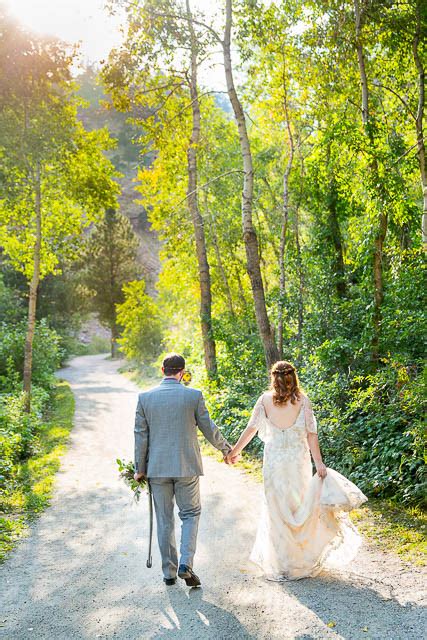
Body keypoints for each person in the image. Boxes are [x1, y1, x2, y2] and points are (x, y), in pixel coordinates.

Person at [226, 360, 367, 581]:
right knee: (298, 510)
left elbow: (251, 429)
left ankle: (282, 564)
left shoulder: (263, 401)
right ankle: (300, 559)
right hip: (297, 463)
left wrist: (234, 451)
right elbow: (311, 434)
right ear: (294, 378)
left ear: (273, 378)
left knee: (277, 511)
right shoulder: (303, 401)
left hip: (274, 464)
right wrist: (319, 463)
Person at [133, 353, 232, 587]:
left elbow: (140, 435)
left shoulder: (145, 398)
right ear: (182, 372)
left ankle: (169, 573)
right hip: (186, 467)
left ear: (162, 370)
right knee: (190, 514)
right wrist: (226, 449)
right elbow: (209, 428)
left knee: (164, 519)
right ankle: (186, 563)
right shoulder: (193, 396)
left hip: (157, 469)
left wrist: (140, 468)